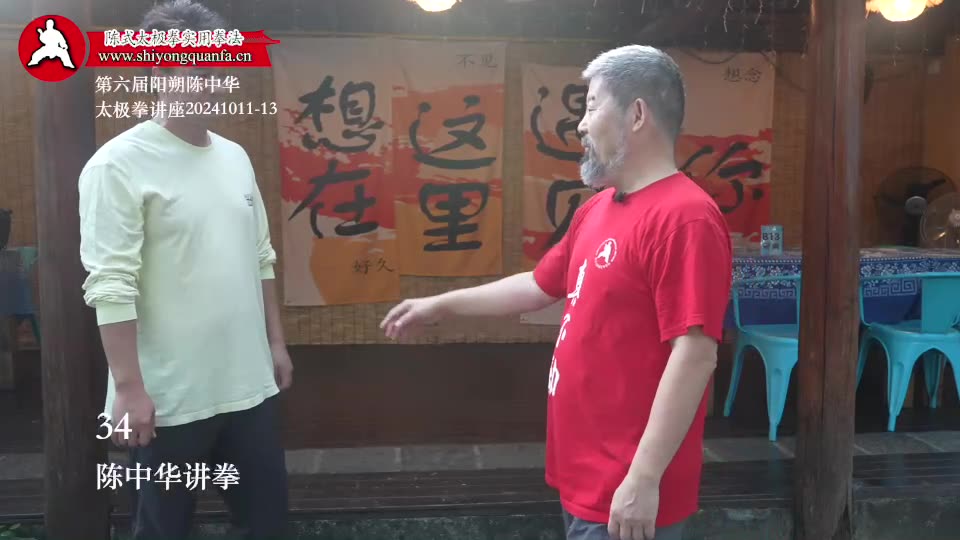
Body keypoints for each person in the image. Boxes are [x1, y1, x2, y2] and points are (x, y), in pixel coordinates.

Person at [381, 45, 732, 540]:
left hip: (626, 492)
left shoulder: (685, 218)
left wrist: (644, 477)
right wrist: (441, 305)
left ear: (636, 115)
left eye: (592, 107)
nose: (581, 126)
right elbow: (538, 285)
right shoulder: (597, 210)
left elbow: (694, 354)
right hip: (584, 475)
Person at [78, 1, 291, 538]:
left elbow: (261, 256)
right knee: (162, 530)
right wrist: (129, 388)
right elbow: (110, 283)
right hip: (167, 400)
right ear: (158, 70)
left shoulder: (235, 157)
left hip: (249, 389)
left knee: (267, 525)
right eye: (192, 68)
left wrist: (275, 344)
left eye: (217, 69)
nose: (208, 82)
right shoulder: (117, 164)